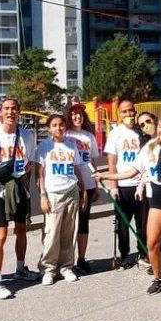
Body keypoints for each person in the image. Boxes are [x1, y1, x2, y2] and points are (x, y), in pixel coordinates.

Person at [98, 115, 161, 295]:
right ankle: (158, 278)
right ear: (157, 128)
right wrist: (106, 177)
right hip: (156, 197)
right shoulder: (148, 148)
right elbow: (133, 172)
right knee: (152, 242)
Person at [0, 97, 39, 299]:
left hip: (20, 186)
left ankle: (20, 267)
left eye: (14, 108)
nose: (10, 112)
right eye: (6, 108)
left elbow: (30, 162)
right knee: (2, 233)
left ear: (19, 111)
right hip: (1, 187)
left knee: (22, 228)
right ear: (0, 111)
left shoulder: (26, 135)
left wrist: (27, 188)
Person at [36, 114, 87, 285]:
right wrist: (43, 195)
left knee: (69, 232)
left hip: (71, 191)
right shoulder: (44, 147)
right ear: (49, 128)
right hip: (53, 194)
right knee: (51, 233)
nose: (59, 128)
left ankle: (66, 267)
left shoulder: (71, 146)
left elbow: (77, 169)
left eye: (61, 125)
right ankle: (48, 269)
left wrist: (84, 189)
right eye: (55, 125)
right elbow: (40, 174)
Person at [104, 100, 147, 270]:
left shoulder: (141, 131)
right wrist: (113, 186)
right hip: (123, 184)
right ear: (119, 115)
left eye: (131, 111)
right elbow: (112, 162)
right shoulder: (116, 134)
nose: (129, 114)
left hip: (140, 184)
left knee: (142, 222)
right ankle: (124, 255)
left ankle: (143, 253)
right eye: (125, 112)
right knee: (122, 224)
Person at [66, 103, 99, 274]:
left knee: (84, 221)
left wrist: (97, 185)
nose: (77, 117)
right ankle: (67, 261)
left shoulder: (89, 136)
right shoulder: (65, 135)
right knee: (70, 223)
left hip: (89, 183)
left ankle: (81, 258)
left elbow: (93, 161)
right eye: (74, 114)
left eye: (80, 114)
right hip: (70, 184)